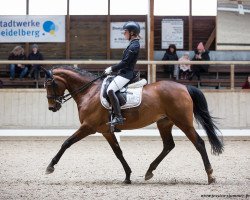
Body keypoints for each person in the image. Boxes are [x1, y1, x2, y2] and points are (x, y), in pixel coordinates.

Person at [104, 21, 140, 126]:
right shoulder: (132, 44)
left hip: (126, 74)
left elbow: (125, 63)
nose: (124, 34)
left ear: (132, 33)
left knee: (110, 90)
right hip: (123, 72)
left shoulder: (134, 45)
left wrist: (111, 68)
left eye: (125, 32)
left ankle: (119, 117)